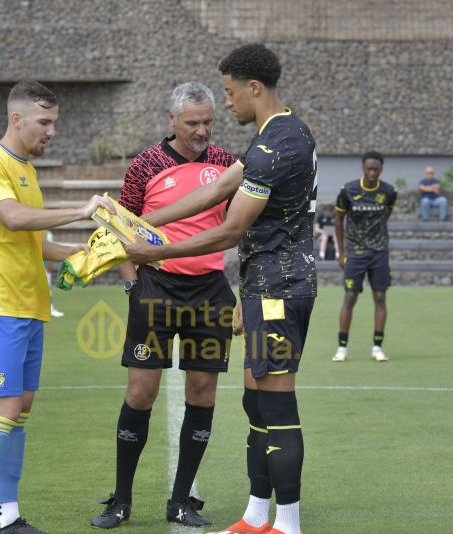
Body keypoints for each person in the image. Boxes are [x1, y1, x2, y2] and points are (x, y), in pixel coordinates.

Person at [125, 44, 316, 534]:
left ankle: (288, 524)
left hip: (279, 287)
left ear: (254, 88)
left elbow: (230, 230)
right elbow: (209, 192)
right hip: (261, 288)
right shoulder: (273, 137)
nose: (226, 106)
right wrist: (137, 223)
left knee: (275, 404)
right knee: (255, 402)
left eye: (230, 94)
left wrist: (154, 251)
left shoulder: (277, 145)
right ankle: (256, 515)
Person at [0, 80, 114, 534]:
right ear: (17, 118)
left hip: (29, 305)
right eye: (45, 122)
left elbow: (36, 242)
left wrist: (92, 252)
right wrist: (82, 211)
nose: (52, 131)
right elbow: (12, 218)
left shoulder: (28, 171)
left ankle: (7, 516)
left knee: (20, 409)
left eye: (55, 123)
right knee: (2, 410)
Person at [91, 82, 237, 530]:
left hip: (210, 292)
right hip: (156, 288)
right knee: (140, 394)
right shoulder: (145, 165)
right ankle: (121, 500)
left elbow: (240, 227)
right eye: (192, 122)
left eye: (208, 121)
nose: (202, 130)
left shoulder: (229, 165)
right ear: (171, 120)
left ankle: (181, 501)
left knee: (203, 393)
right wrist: (133, 287)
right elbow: (122, 228)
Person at [332, 151, 397, 363]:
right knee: (350, 297)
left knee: (380, 298)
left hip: (378, 252)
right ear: (362, 168)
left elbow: (386, 214)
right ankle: (342, 347)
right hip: (355, 253)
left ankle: (377, 346)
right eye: (368, 169)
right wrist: (342, 253)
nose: (371, 173)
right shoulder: (348, 190)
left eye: (375, 169)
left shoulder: (388, 191)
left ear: (381, 170)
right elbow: (339, 221)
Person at [42, 230, 63, 316]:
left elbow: (50, 253)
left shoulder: (48, 234)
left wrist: (48, 269)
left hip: (45, 267)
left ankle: (50, 308)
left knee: (47, 288)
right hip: (34, 267)